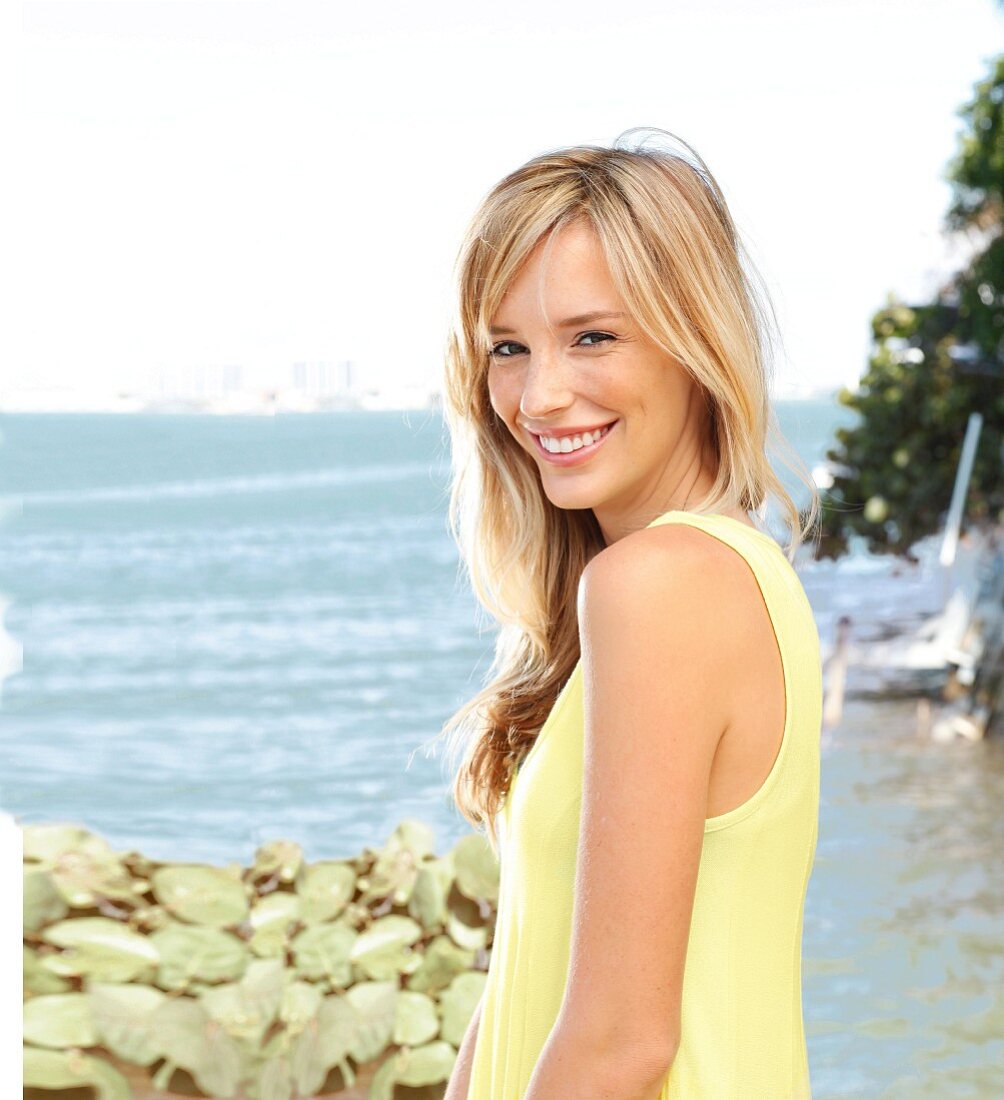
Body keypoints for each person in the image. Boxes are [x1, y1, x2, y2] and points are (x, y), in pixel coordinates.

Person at [436, 127, 823, 1099]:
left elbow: (620, 1043)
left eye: (592, 335)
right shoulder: (726, 573)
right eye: (507, 349)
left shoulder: (657, 585)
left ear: (694, 337)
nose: (539, 393)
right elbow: (532, 979)